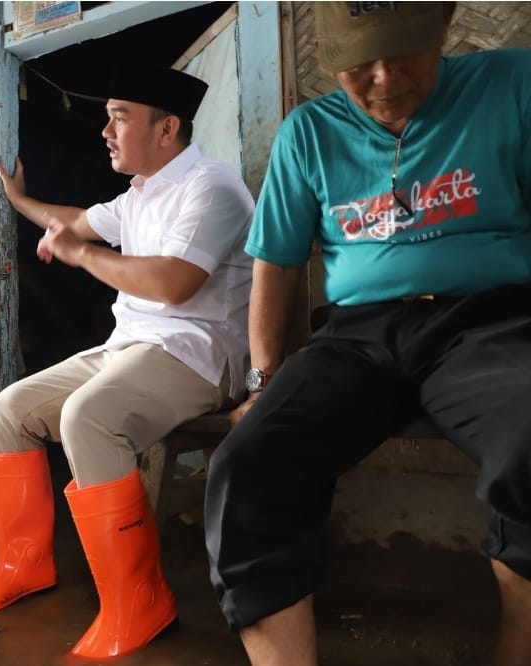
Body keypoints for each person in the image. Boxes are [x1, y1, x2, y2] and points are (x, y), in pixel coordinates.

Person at [204, 3, 531, 665]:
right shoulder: (309, 132)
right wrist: (263, 381)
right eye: (359, 63)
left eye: (403, 52)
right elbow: (277, 264)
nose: (384, 79)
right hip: (357, 336)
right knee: (249, 462)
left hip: (489, 322)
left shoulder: (512, 86)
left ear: (443, 24)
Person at [0, 64, 255, 659]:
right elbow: (72, 221)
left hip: (199, 352)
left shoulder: (211, 186)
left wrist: (82, 256)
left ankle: (138, 600)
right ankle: (21, 565)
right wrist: (18, 199)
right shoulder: (139, 194)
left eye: (119, 118)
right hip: (133, 346)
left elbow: (174, 282)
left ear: (166, 129)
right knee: (11, 407)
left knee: (88, 416)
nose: (106, 132)